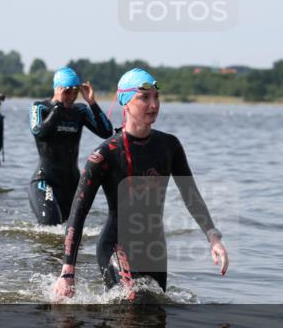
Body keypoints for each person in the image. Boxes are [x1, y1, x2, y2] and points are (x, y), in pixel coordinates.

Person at [52, 68, 229, 300]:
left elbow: (190, 194)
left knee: (155, 311)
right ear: (125, 102)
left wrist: (213, 238)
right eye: (144, 98)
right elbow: (78, 211)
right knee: (132, 303)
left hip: (154, 249)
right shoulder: (106, 153)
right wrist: (68, 271)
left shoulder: (170, 146)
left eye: (156, 97)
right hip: (116, 245)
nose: (153, 105)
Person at [28, 67, 113, 225]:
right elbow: (40, 133)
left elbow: (106, 132)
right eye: (67, 92)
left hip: (71, 183)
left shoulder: (80, 111)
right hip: (46, 180)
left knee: (70, 231)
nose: (72, 97)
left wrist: (92, 103)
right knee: (49, 223)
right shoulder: (40, 108)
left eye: (75, 92)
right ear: (57, 89)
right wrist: (58, 105)